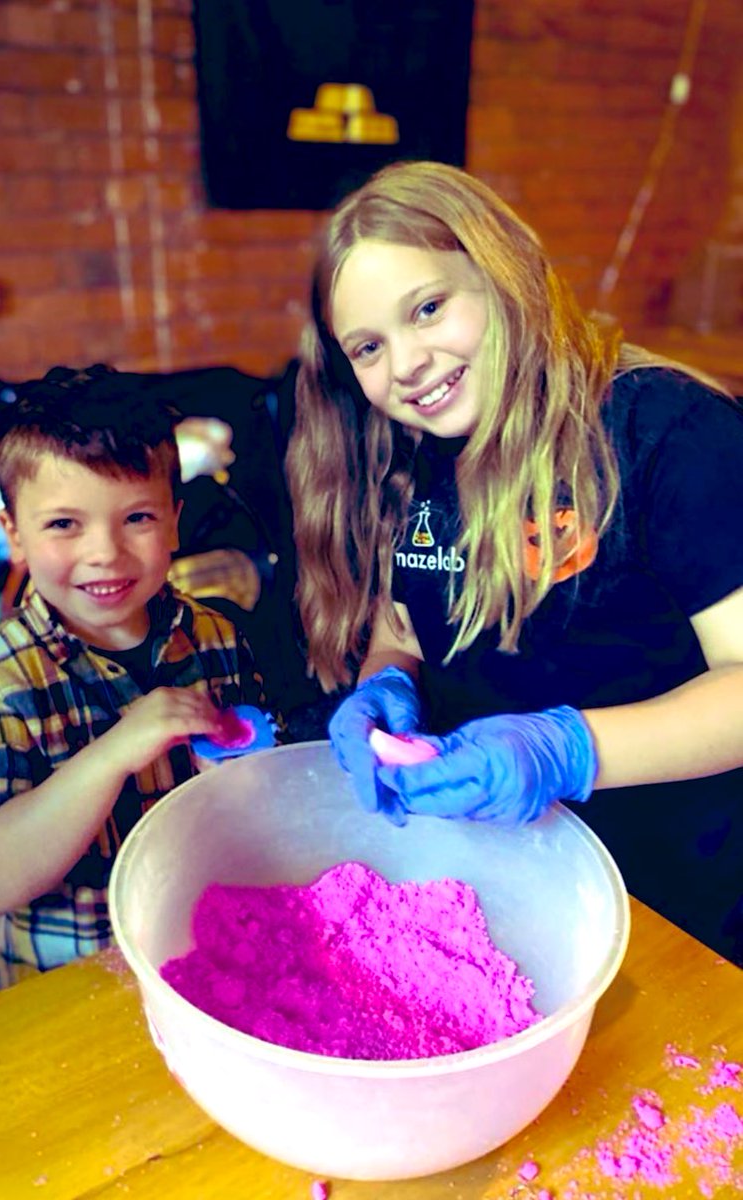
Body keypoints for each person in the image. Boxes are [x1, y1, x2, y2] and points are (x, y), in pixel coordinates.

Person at [285, 160, 743, 962]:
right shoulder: (413, 452)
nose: (407, 365)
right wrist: (386, 683)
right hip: (505, 886)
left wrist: (570, 751)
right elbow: (405, 626)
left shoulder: (664, 429)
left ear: (500, 273)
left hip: (687, 900)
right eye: (368, 347)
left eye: (428, 308)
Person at [0, 366, 267, 982]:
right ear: (14, 535)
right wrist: (113, 753)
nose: (105, 553)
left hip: (203, 948)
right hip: (76, 976)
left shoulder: (217, 636)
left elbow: (254, 796)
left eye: (137, 518)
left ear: (174, 519)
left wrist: (241, 777)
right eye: (64, 524)